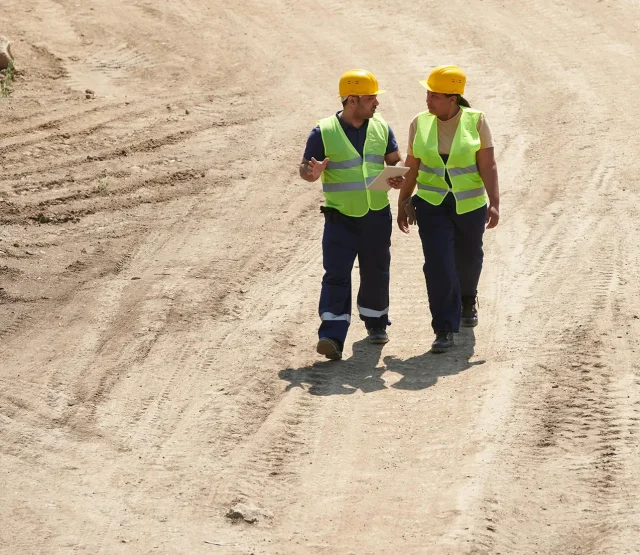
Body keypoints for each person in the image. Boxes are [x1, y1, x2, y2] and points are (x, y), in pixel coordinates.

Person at [300, 69, 403, 361]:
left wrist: (397, 176)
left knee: (376, 271)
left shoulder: (381, 127)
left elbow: (395, 160)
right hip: (340, 218)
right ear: (353, 100)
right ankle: (331, 336)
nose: (376, 104)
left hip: (376, 215)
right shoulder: (323, 132)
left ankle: (376, 323)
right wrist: (312, 173)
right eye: (371, 98)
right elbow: (304, 170)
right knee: (336, 275)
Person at [397, 65, 500, 353]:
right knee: (438, 264)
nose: (427, 100)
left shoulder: (476, 121)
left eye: (434, 96)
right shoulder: (420, 123)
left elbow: (488, 164)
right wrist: (403, 201)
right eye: (428, 94)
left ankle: (467, 299)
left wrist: (495, 203)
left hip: (469, 205)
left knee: (469, 258)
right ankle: (443, 328)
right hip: (431, 205)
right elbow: (412, 165)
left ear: (452, 98)